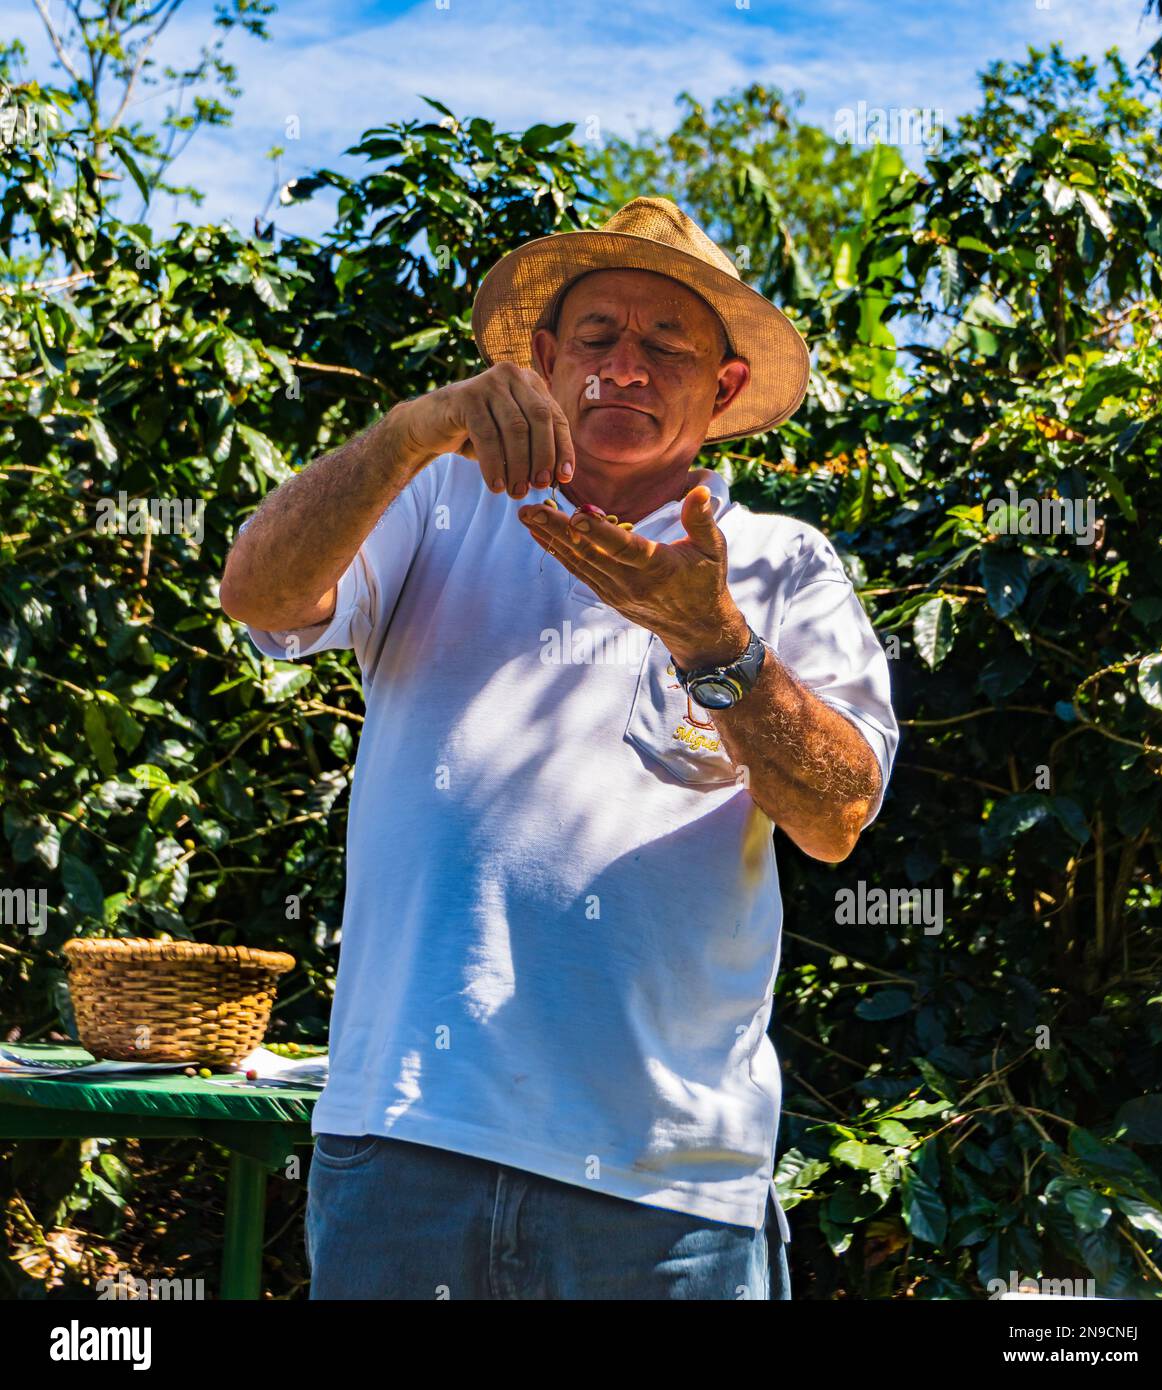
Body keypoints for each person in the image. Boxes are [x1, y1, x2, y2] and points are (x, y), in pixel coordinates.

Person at [220, 196, 899, 1300]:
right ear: (542, 360)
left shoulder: (779, 565)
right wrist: (410, 430)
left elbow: (835, 815)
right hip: (406, 1143)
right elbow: (259, 594)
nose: (625, 367)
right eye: (597, 338)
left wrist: (711, 638)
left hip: (665, 1182)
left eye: (667, 344)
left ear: (723, 388)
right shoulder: (438, 501)